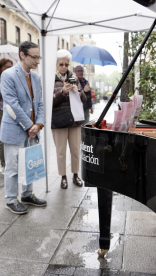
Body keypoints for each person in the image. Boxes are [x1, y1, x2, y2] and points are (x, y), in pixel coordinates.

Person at [0, 41, 46, 214]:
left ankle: (27, 194)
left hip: (32, 130)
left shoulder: (35, 77)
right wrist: (29, 125)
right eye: (34, 57)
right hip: (15, 130)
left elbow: (40, 103)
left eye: (38, 57)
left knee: (30, 163)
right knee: (12, 168)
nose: (38, 61)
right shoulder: (8, 75)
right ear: (22, 55)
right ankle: (11, 199)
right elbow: (12, 105)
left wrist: (38, 125)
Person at [52, 50, 86, 189]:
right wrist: (62, 92)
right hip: (59, 119)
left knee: (76, 149)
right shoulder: (50, 79)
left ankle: (75, 174)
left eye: (66, 64)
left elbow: (84, 99)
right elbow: (49, 102)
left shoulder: (74, 78)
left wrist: (77, 91)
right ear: (56, 64)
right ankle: (63, 176)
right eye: (61, 64)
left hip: (75, 119)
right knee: (61, 151)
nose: (64, 66)